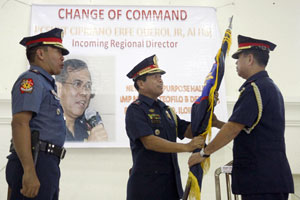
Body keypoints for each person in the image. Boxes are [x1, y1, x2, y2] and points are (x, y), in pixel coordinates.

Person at [188, 35, 294, 200]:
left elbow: (233, 129)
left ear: (250, 59)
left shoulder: (254, 89)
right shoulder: (268, 86)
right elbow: (249, 129)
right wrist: (216, 123)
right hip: (268, 180)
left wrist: (203, 153)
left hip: (261, 183)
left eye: (239, 58)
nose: (236, 63)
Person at [125, 54, 205, 200]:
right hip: (147, 189)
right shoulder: (135, 110)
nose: (160, 80)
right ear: (141, 84)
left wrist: (207, 108)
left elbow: (187, 130)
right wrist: (186, 147)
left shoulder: (166, 110)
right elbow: (150, 141)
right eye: (155, 77)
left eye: (160, 77)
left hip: (170, 186)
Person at [6, 28, 69, 200]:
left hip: (47, 162)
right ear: (40, 53)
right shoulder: (31, 80)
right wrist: (29, 170)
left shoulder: (46, 84)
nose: (62, 57)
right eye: (58, 51)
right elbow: (19, 123)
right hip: (35, 160)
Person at [55, 59, 108, 142]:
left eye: (88, 86)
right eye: (77, 84)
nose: (84, 92)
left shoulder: (86, 125)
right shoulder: (47, 126)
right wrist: (89, 148)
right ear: (59, 88)